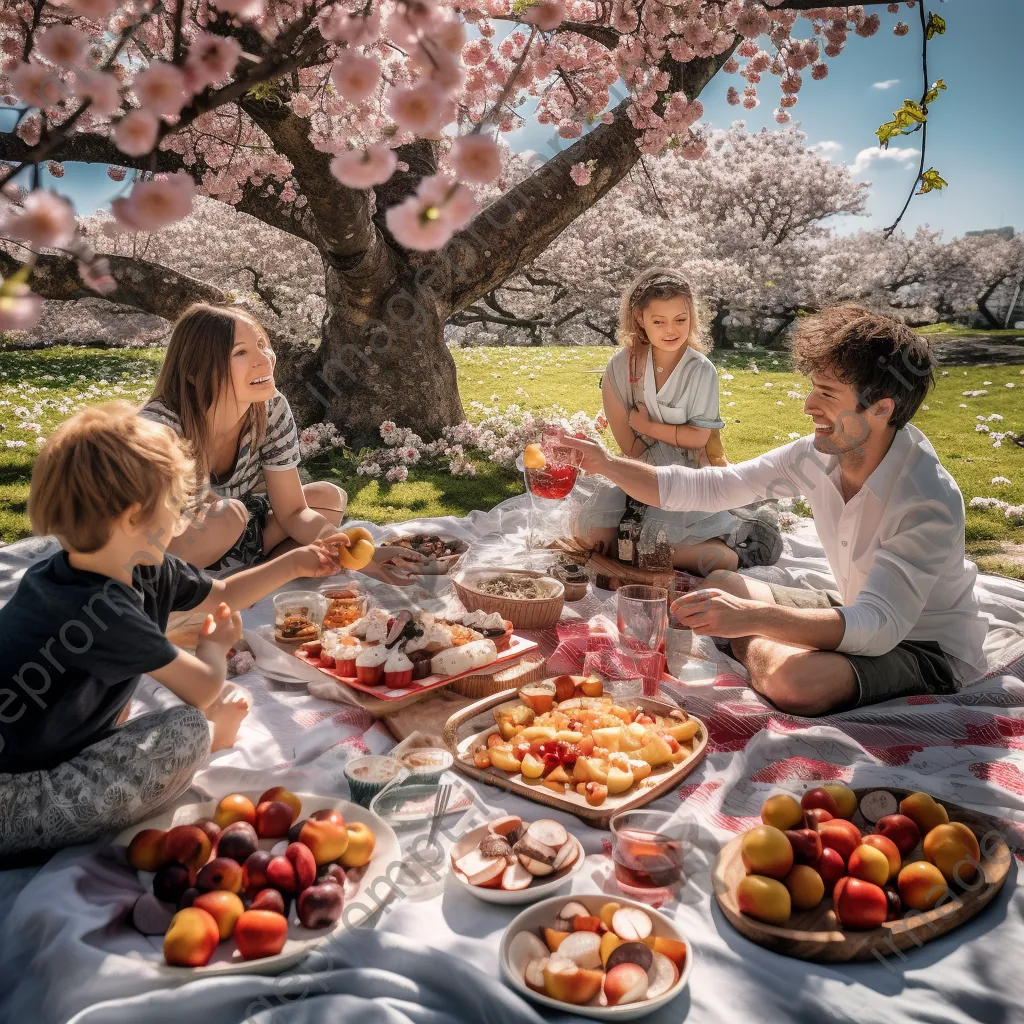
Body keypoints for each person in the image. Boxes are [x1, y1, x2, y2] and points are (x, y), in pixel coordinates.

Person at [559, 304, 987, 716]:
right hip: (856, 604)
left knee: (797, 683)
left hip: (922, 645)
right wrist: (607, 464)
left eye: (827, 393)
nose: (808, 405)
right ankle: (763, 642)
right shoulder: (819, 454)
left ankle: (753, 645)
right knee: (725, 581)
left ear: (881, 408)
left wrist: (749, 620)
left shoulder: (926, 500)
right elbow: (715, 486)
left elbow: (878, 625)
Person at [0, 404, 346, 860]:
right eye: (176, 502)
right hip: (13, 795)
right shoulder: (97, 611)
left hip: (52, 745)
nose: (187, 514)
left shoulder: (138, 563)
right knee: (186, 731)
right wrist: (213, 646)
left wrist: (293, 562)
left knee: (139, 718)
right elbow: (204, 687)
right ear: (130, 517)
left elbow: (221, 591)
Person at [140, 304, 420, 582]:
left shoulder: (269, 408)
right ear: (195, 372)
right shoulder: (159, 430)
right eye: (240, 352)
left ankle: (255, 576)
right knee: (228, 516)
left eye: (262, 344)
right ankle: (193, 591)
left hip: (242, 533)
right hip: (171, 550)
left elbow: (293, 511)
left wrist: (358, 556)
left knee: (327, 498)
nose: (264, 359)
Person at [573, 268, 780, 574]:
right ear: (640, 318)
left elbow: (697, 439)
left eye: (680, 320)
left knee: (655, 547)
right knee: (589, 534)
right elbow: (629, 448)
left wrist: (648, 428)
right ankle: (637, 551)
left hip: (690, 475)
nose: (671, 330)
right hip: (640, 468)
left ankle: (735, 554)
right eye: (659, 321)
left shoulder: (701, 371)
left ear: (692, 318)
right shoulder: (619, 368)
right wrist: (646, 472)